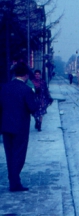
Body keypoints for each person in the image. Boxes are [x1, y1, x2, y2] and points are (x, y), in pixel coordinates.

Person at [0, 62, 39, 192]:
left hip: (5, 127)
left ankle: (14, 181)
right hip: (20, 128)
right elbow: (32, 108)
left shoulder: (4, 88)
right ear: (26, 75)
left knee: (9, 154)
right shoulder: (26, 90)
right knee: (19, 155)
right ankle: (14, 183)